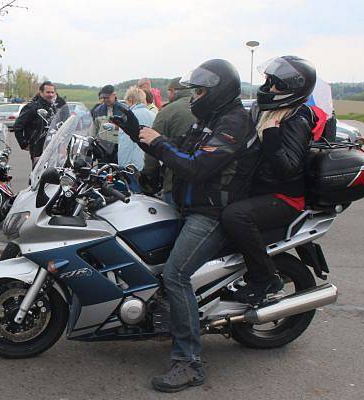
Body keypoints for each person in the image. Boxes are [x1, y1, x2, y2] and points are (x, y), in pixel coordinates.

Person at [120, 59, 258, 392]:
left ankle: (189, 362)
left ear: (217, 91)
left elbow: (196, 168)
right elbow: (177, 150)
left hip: (211, 214)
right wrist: (134, 132)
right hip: (189, 207)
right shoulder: (209, 120)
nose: (194, 97)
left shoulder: (233, 124)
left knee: (175, 274)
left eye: (199, 91)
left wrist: (156, 142)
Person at [221, 56, 320, 304]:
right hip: (262, 190)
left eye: (275, 84)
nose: (267, 89)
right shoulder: (268, 112)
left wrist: (273, 135)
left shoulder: (295, 119)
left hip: (284, 198)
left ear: (292, 89)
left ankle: (266, 279)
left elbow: (288, 168)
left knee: (236, 216)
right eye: (268, 82)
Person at [141, 78, 197, 204]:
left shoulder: (168, 111)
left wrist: (149, 174)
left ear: (173, 91)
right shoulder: (204, 108)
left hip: (174, 181)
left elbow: (152, 146)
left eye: (169, 92)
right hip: (204, 184)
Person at [13, 81, 67, 164]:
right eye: (48, 92)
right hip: (37, 146)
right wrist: (24, 143)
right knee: (38, 174)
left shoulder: (54, 107)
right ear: (41, 92)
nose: (51, 94)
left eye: (52, 92)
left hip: (53, 146)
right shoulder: (32, 107)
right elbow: (17, 126)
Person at [90, 85, 129, 162]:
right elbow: (94, 130)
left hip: (120, 148)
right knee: (101, 172)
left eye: (107, 97)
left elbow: (129, 129)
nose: (105, 100)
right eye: (103, 98)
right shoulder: (97, 111)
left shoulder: (124, 109)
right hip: (102, 149)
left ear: (114, 95)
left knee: (118, 172)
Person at [119, 86, 154, 169]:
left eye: (126, 101)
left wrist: (123, 167)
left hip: (133, 167)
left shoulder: (128, 118)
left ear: (130, 100)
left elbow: (125, 146)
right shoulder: (154, 115)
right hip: (149, 164)